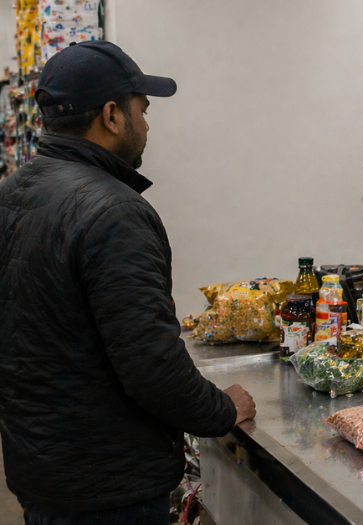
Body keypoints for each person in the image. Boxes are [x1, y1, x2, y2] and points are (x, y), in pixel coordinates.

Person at [0, 42, 256, 524]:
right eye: (143, 108)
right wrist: (223, 409)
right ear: (113, 115)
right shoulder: (115, 212)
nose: (148, 124)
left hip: (42, 472)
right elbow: (151, 365)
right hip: (109, 488)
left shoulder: (11, 193)